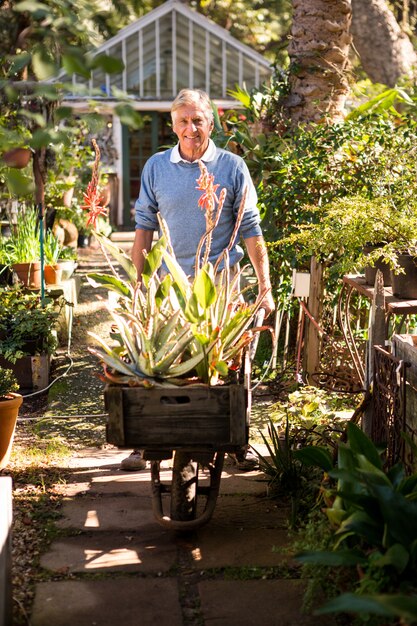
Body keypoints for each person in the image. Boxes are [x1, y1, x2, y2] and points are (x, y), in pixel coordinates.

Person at [121, 88, 275, 472]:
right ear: (173, 126)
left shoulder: (232, 167)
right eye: (183, 121)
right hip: (169, 286)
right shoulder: (157, 166)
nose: (191, 128)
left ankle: (238, 441)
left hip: (221, 286)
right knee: (162, 362)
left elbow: (251, 230)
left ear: (211, 123)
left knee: (233, 365)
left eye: (198, 120)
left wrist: (265, 288)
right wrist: (137, 285)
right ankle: (148, 439)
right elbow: (144, 228)